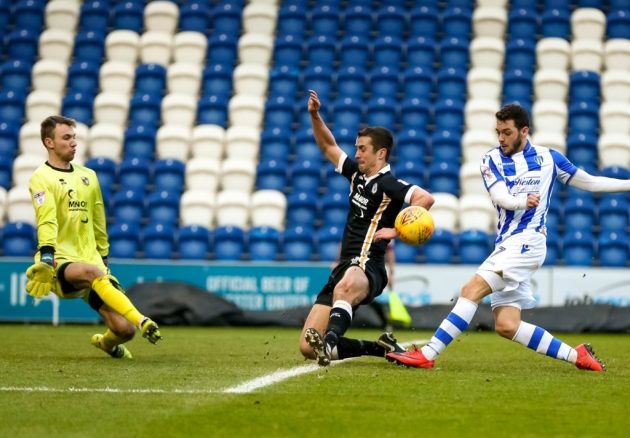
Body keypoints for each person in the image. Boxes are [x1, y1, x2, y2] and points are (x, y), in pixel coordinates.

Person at [384, 103, 625, 372]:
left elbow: (590, 182)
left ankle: (428, 353)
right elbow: (500, 197)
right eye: (498, 132)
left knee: (470, 291)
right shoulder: (491, 160)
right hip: (507, 243)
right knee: (507, 325)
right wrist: (523, 200)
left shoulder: (549, 159)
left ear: (524, 131)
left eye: (507, 132)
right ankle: (577, 356)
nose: (501, 138)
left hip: (528, 242)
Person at [300, 90, 435, 366]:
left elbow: (426, 199)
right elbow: (328, 147)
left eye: (363, 149)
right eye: (357, 147)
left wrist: (398, 231)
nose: (357, 153)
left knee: (347, 284)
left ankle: (328, 344)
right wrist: (315, 115)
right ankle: (381, 348)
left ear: (381, 153)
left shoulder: (389, 185)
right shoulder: (356, 175)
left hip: (368, 266)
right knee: (306, 345)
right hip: (344, 267)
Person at [26, 115, 162, 359]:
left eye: (74, 137)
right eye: (66, 137)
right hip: (60, 261)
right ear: (49, 143)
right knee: (91, 273)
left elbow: (98, 220)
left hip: (91, 261)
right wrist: (47, 258)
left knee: (124, 330)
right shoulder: (41, 178)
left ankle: (106, 344)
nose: (74, 143)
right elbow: (46, 220)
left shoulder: (88, 176)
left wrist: (104, 257)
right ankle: (143, 321)